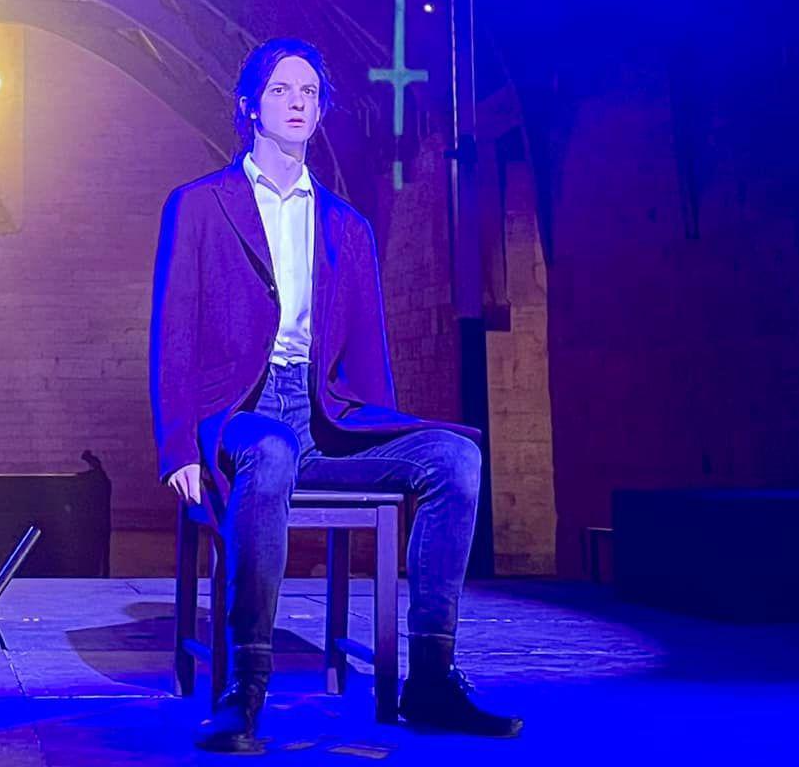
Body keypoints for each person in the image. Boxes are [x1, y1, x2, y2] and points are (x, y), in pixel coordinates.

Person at [149, 37, 522, 753]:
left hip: (327, 420)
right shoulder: (198, 206)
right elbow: (173, 332)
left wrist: (381, 431)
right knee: (273, 448)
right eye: (282, 90)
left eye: (309, 93)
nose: (297, 103)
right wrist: (176, 445)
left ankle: (433, 678)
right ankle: (244, 693)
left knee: (454, 457)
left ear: (319, 112)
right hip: (242, 414)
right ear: (249, 106)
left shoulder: (347, 226)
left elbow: (369, 359)